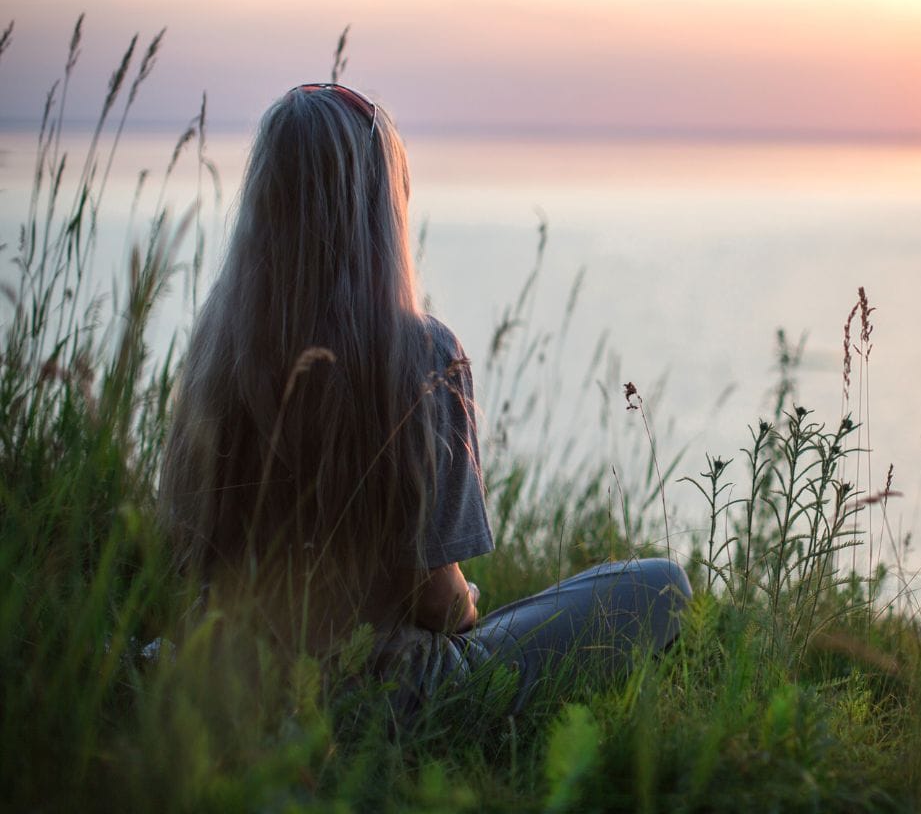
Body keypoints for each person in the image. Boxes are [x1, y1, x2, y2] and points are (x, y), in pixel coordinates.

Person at [158, 82, 689, 715]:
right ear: (380, 208)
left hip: (230, 679)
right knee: (656, 586)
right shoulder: (420, 355)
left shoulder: (217, 352)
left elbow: (184, 555)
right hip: (385, 693)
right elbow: (436, 603)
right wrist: (466, 601)